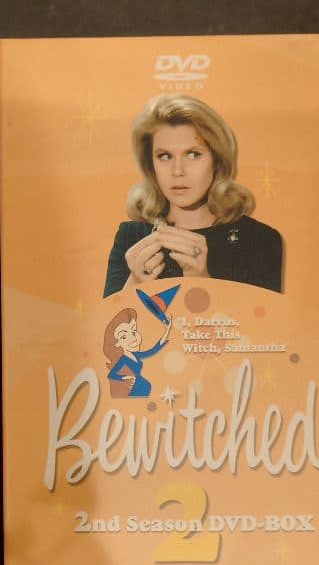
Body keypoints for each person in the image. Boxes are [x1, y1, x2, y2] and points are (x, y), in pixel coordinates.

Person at [103, 94, 283, 297]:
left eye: (193, 154)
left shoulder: (260, 240)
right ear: (150, 165)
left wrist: (202, 280)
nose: (177, 171)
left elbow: (262, 318)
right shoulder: (131, 236)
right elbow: (107, 319)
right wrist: (135, 283)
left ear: (217, 160)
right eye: (164, 156)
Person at [104, 305, 172, 398]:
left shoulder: (135, 354)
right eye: (123, 337)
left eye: (133, 331)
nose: (132, 338)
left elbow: (152, 350)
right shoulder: (123, 359)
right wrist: (125, 377)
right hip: (135, 390)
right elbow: (111, 375)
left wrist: (167, 330)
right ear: (117, 343)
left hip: (142, 389)